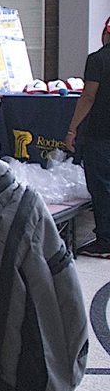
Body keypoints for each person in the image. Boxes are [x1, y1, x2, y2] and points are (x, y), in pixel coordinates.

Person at [64, 16, 110, 258]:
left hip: (101, 134)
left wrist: (72, 129)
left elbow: (88, 97)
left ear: (106, 34)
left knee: (102, 187)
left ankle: (105, 241)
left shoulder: (98, 60)